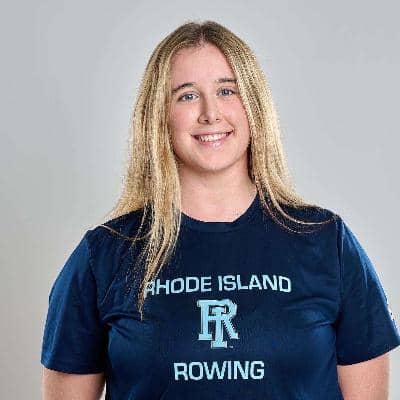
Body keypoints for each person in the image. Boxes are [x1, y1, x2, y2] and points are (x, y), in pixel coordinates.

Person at [40, 20, 400, 400]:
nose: (210, 113)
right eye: (186, 96)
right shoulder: (104, 255)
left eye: (227, 90)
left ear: (254, 106)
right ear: (158, 116)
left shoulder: (326, 242)